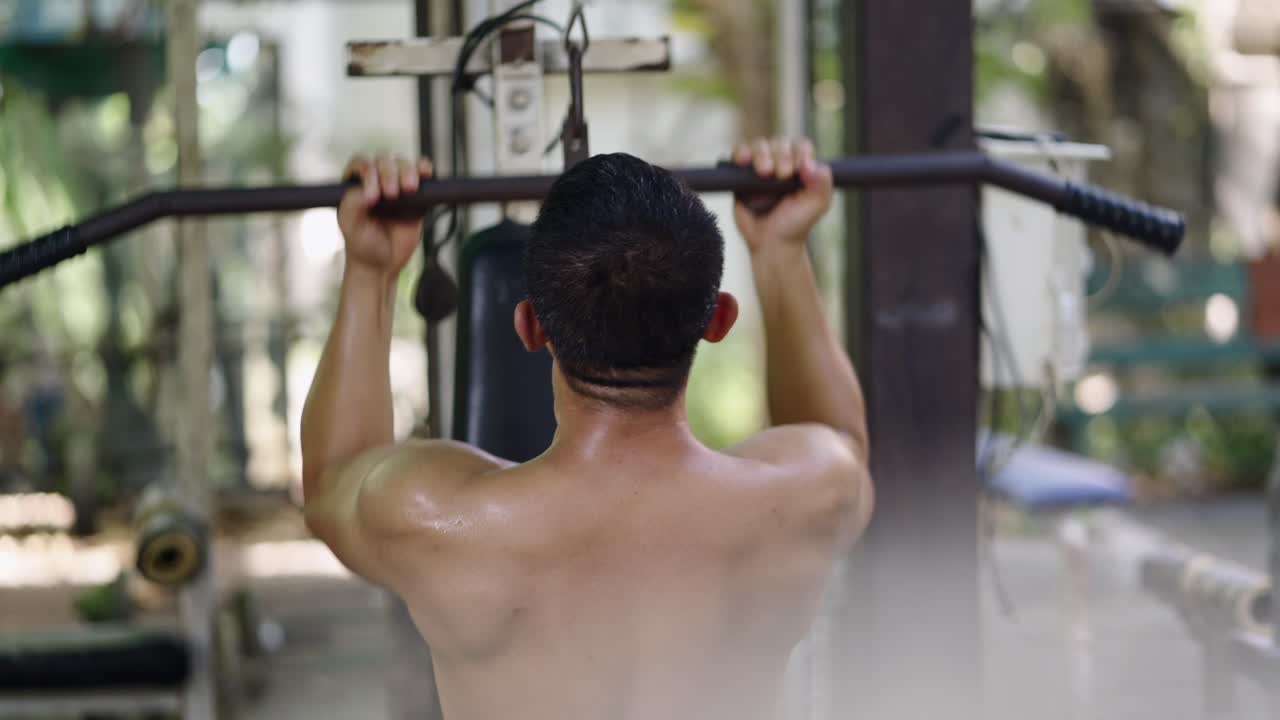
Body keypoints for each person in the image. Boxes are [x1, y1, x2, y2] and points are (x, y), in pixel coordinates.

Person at [301, 138, 872, 720]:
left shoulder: (435, 520)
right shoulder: (806, 498)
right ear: (719, 319)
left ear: (529, 327)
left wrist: (371, 270)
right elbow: (840, 438)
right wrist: (781, 250)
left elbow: (329, 481)